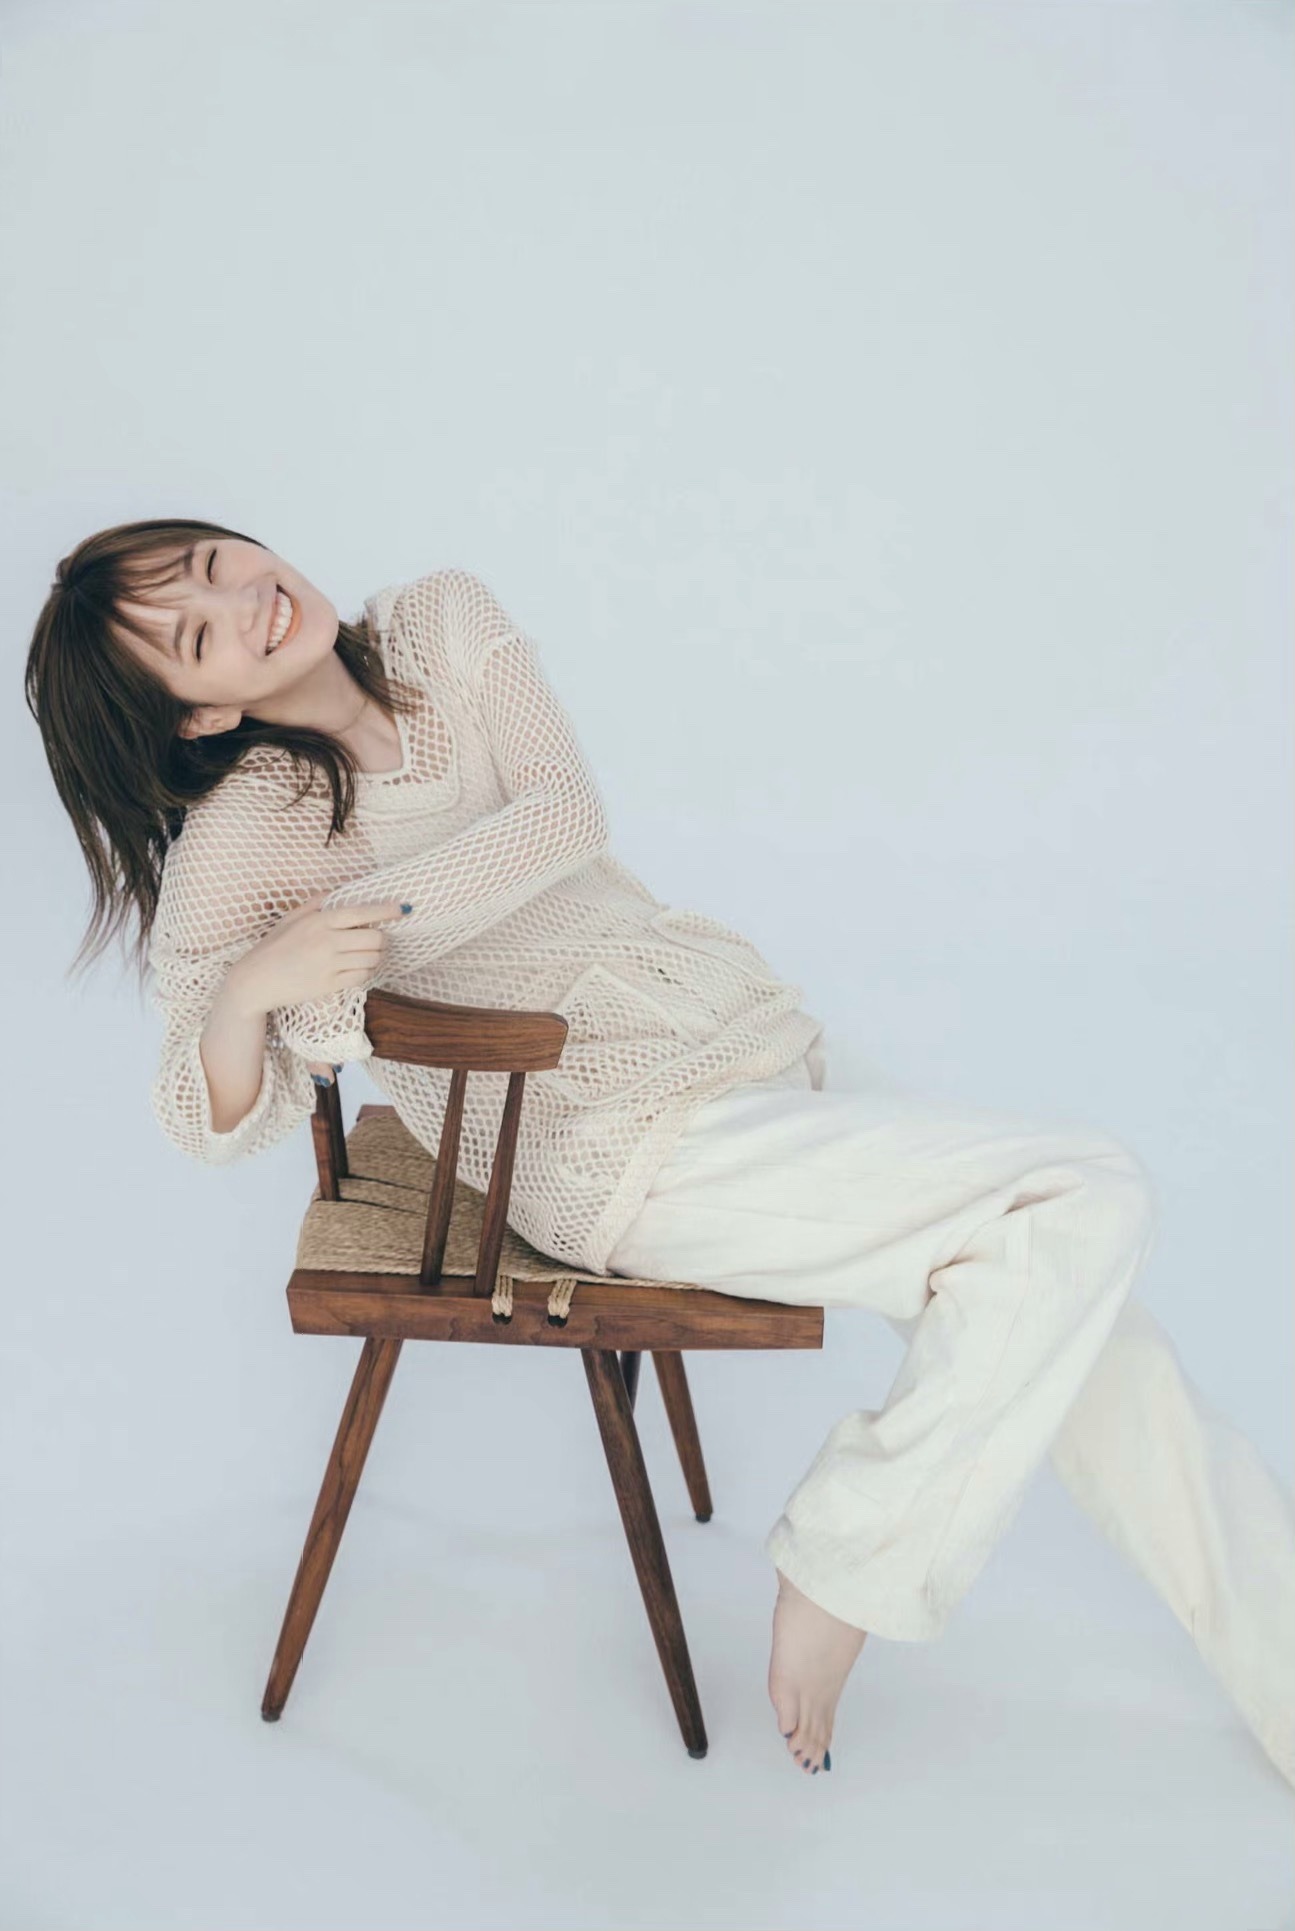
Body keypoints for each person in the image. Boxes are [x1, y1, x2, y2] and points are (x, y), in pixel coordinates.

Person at [26, 518, 1294, 1787]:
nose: (246, 600)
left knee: (1080, 1303)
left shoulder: (439, 622)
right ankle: (848, 1562)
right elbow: (200, 1107)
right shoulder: (251, 831)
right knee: (1078, 1193)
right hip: (610, 1151)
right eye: (197, 635)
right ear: (199, 715)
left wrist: (364, 929)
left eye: (217, 563)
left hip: (736, 1039)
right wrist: (259, 983)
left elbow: (563, 816)